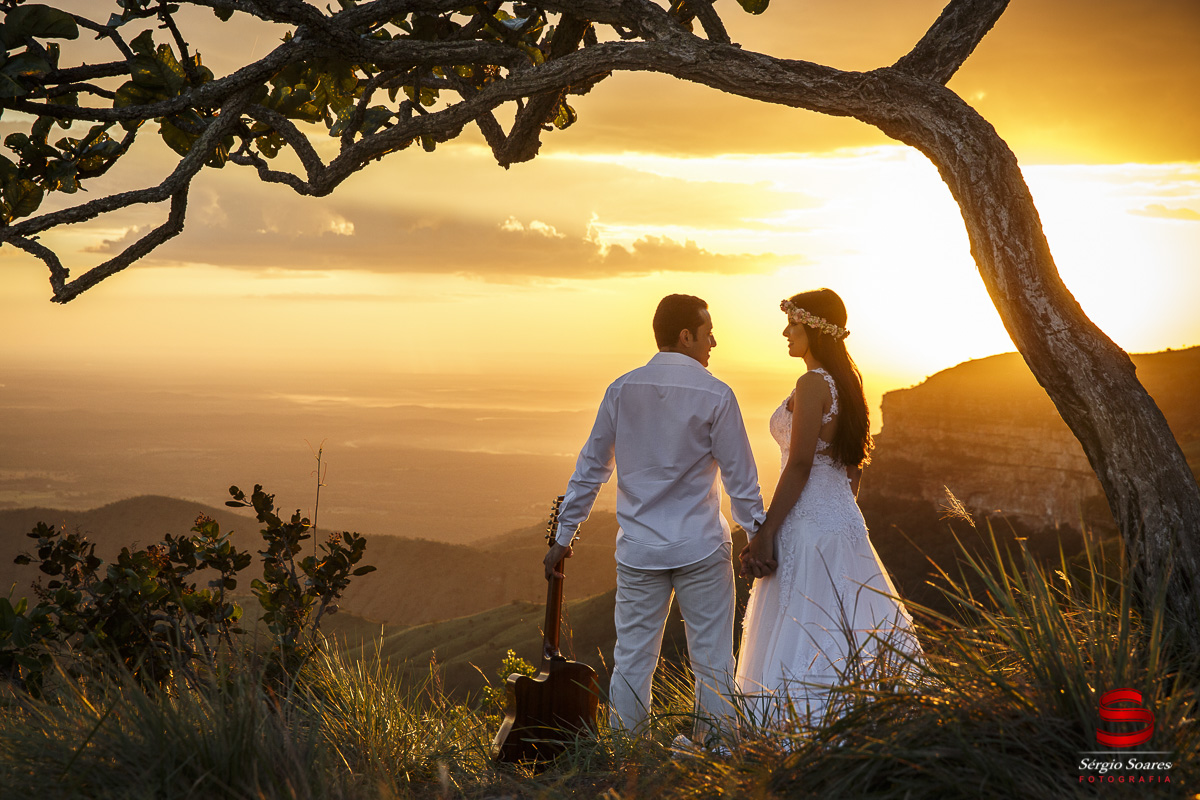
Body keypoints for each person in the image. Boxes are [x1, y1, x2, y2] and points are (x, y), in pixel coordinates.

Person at [544, 294, 767, 747]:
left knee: (632, 660)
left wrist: (565, 535)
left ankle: (629, 752)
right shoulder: (717, 394)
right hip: (701, 546)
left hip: (640, 550)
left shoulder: (622, 390)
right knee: (712, 660)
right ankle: (718, 748)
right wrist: (757, 537)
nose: (713, 342)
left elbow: (592, 468)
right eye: (708, 333)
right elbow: (741, 479)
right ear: (685, 336)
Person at [736, 288, 921, 727]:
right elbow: (853, 470)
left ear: (815, 328)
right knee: (846, 623)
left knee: (804, 623)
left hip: (807, 523)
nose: (786, 332)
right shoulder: (847, 384)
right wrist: (836, 512)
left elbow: (800, 464)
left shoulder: (812, 384)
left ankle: (796, 725)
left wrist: (766, 531)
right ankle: (863, 718)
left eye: (793, 324)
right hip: (842, 521)